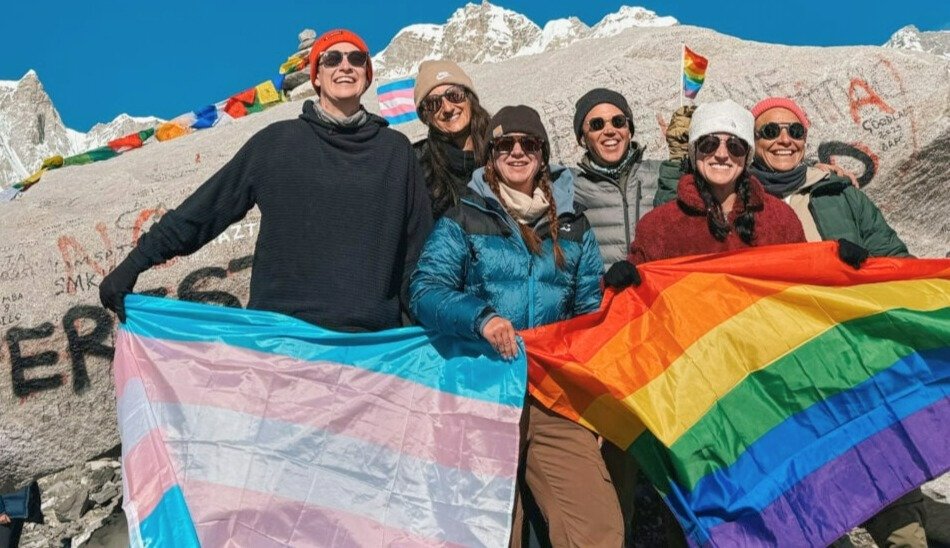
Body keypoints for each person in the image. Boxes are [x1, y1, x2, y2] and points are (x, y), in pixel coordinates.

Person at [99, 29, 432, 332]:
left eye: (356, 58)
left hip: (372, 346)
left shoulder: (396, 151)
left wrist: (427, 327)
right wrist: (135, 262)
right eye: (332, 58)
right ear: (316, 76)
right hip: (280, 343)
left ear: (367, 75)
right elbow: (204, 210)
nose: (345, 66)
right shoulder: (276, 143)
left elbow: (418, 250)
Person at [410, 106, 622, 547]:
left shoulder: (572, 224)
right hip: (482, 391)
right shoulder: (464, 217)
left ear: (543, 154)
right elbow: (425, 289)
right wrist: (480, 318)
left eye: (529, 144)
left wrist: (592, 400)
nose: (518, 152)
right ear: (491, 156)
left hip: (552, 393)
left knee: (596, 526)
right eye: (506, 144)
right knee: (489, 530)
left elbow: (586, 316)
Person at [749, 97, 926, 548]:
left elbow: (898, 262)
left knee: (892, 481)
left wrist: (860, 269)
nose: (783, 140)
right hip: (783, 368)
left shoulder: (842, 194)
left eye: (794, 130)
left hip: (855, 358)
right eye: (770, 132)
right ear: (753, 143)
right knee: (809, 495)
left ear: (806, 138)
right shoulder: (739, 202)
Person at [571, 88, 663, 270]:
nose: (609, 131)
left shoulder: (661, 175)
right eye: (597, 125)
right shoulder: (570, 187)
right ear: (583, 138)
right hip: (603, 297)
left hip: (656, 295)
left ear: (629, 130)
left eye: (618, 122)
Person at [413, 60, 492, 218]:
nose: (448, 108)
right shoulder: (418, 167)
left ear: (469, 97)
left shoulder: (504, 146)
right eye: (433, 103)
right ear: (425, 115)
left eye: (454, 95)